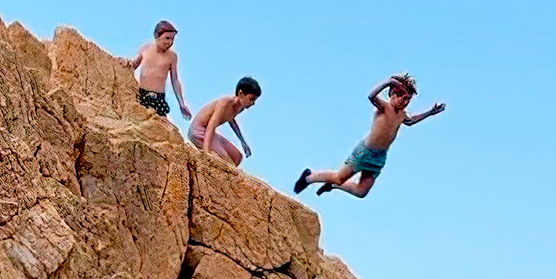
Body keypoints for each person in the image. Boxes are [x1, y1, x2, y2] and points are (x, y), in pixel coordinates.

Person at [294, 74, 445, 199]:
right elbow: (371, 96)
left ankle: (332, 186)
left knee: (361, 192)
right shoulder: (385, 107)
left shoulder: (402, 115)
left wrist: (430, 112)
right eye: (400, 96)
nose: (403, 101)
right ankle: (309, 177)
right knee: (339, 177)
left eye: (407, 99)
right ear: (392, 93)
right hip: (365, 152)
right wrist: (387, 82)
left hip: (379, 159)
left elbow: (410, 121)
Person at [188, 77, 261, 167]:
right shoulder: (225, 104)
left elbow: (231, 120)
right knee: (227, 162)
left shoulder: (240, 108)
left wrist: (243, 142)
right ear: (241, 93)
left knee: (238, 157)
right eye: (251, 99)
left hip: (210, 132)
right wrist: (206, 154)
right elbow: (211, 127)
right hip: (199, 131)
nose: (252, 103)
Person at [130, 21, 192, 120]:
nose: (169, 42)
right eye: (167, 38)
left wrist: (181, 103)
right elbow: (133, 66)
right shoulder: (146, 48)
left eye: (172, 39)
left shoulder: (172, 56)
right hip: (141, 94)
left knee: (159, 127)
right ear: (157, 36)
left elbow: (175, 80)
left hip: (158, 98)